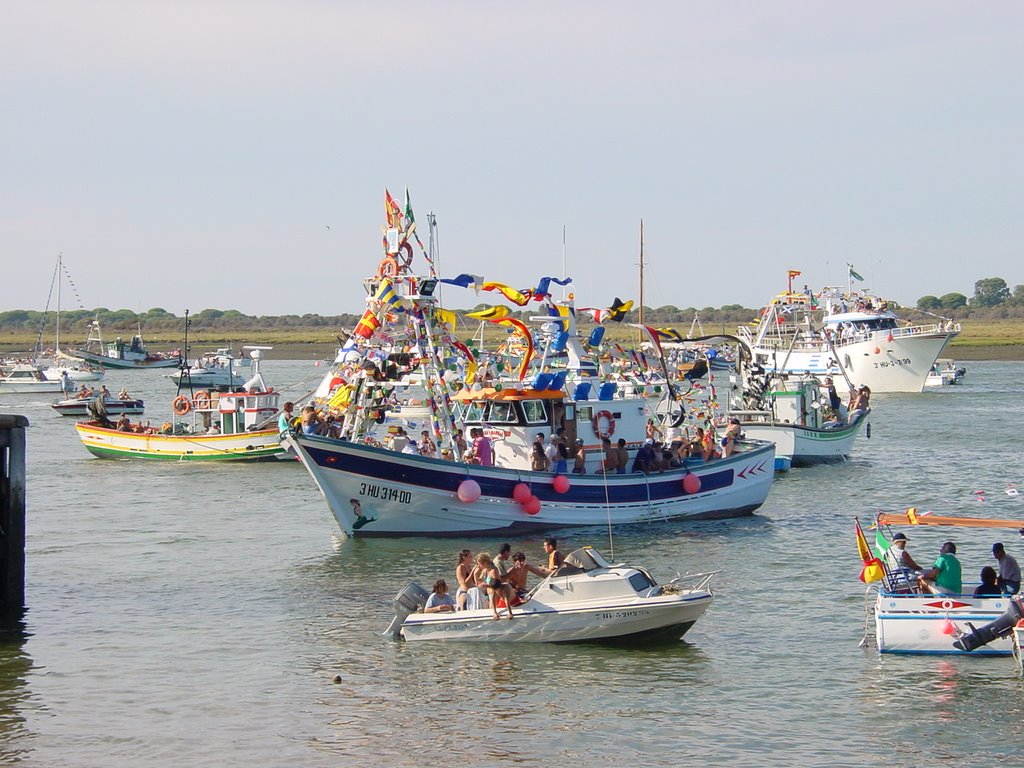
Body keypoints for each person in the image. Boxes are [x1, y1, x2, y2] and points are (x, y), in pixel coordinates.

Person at [476, 553, 514, 620]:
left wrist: (486, 585)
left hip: (498, 593)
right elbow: (478, 582)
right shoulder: (486, 570)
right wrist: (475, 573)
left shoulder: (493, 571)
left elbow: (496, 585)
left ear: (485, 563)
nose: (478, 566)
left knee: (497, 594)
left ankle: (509, 612)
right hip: (491, 595)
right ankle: (495, 612)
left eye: (479, 564)